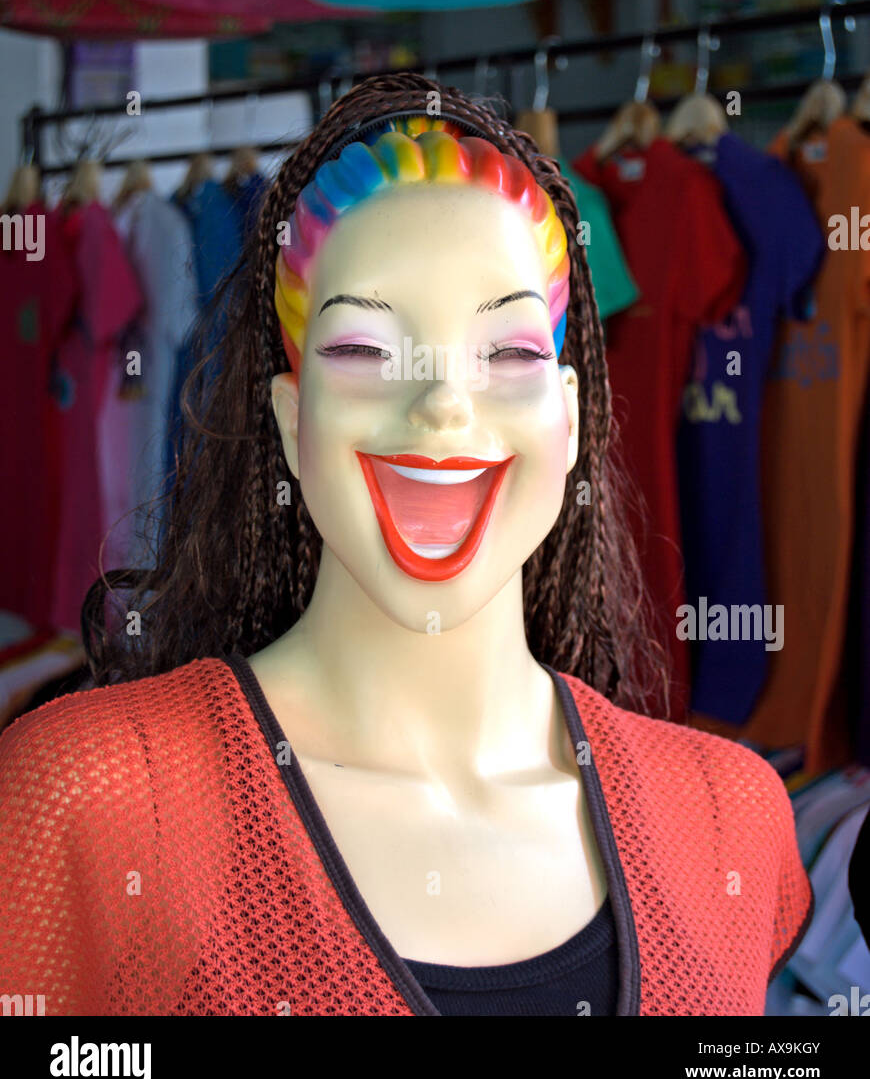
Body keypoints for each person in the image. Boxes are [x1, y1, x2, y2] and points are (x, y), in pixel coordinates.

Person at [0, 74, 812, 1016]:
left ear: (572, 419)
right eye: (363, 352)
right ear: (291, 419)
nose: (441, 407)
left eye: (508, 354)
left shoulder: (732, 823)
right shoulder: (89, 805)